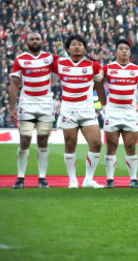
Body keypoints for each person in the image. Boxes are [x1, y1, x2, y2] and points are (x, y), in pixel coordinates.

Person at [53, 34, 107, 189]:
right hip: (68, 110)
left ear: (85, 48)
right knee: (70, 144)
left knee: (96, 143)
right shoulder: (59, 63)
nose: (77, 47)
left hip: (87, 110)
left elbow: (99, 82)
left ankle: (88, 179)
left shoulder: (92, 64)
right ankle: (73, 180)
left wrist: (104, 105)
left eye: (80, 44)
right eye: (74, 44)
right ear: (68, 49)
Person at [8, 32, 56, 189]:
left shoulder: (50, 57)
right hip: (27, 104)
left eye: (37, 39)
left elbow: (69, 63)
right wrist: (12, 106)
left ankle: (42, 178)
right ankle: (20, 177)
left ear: (42, 41)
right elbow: (15, 84)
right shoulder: (20, 59)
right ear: (26, 42)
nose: (35, 41)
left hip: (46, 104)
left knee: (43, 141)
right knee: (25, 140)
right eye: (32, 39)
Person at [101, 39, 138, 189]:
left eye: (127, 48)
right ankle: (110, 180)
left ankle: (133, 180)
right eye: (121, 48)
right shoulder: (108, 68)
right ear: (116, 52)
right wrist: (103, 102)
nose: (124, 51)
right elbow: (97, 82)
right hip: (112, 112)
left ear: (130, 52)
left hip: (129, 112)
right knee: (111, 146)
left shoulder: (137, 69)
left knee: (131, 146)